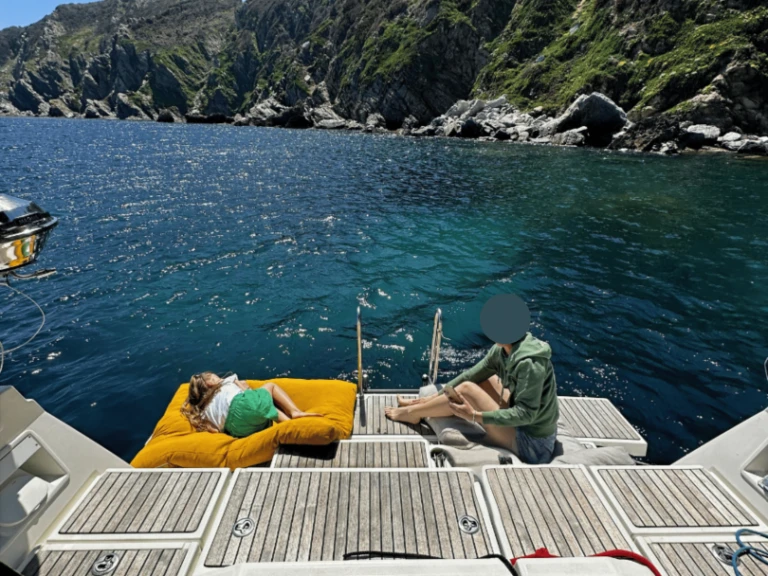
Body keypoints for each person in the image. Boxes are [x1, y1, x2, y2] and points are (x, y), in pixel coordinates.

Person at [385, 294, 559, 464]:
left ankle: (411, 414)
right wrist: (430, 398)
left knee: (467, 389)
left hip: (532, 445)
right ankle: (421, 406)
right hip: (523, 426)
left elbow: (526, 414)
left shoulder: (529, 363)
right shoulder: (502, 350)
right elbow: (471, 375)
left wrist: (475, 416)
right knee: (481, 380)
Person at [181, 372, 321, 437]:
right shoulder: (226, 382)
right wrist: (245, 387)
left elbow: (215, 431)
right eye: (215, 376)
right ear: (210, 382)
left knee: (262, 408)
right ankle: (294, 414)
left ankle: (289, 427)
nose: (219, 377)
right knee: (270, 388)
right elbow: (245, 390)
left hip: (237, 429)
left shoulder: (204, 412)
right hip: (244, 404)